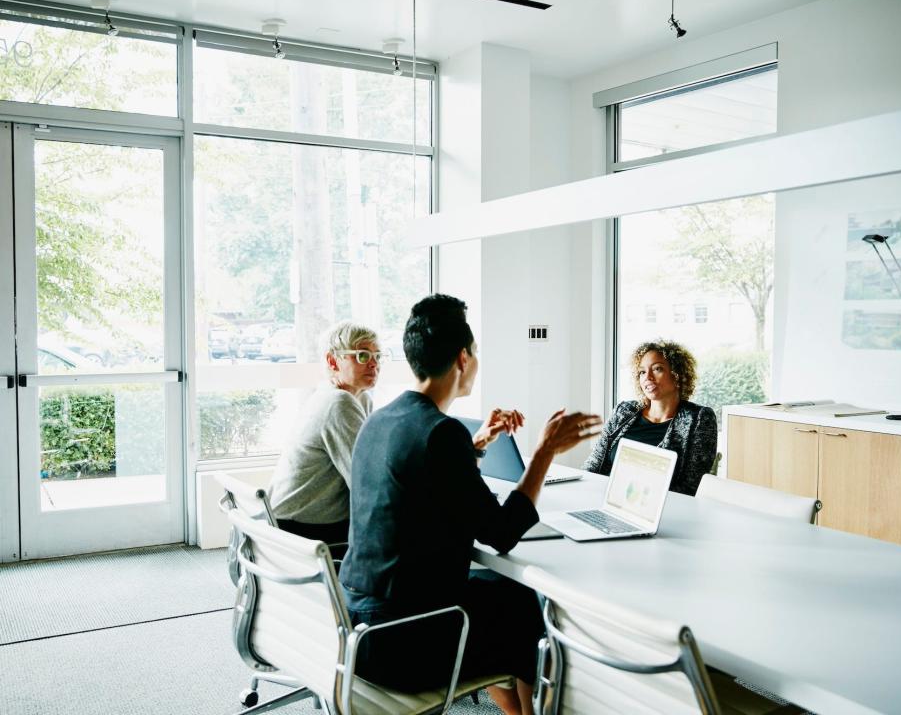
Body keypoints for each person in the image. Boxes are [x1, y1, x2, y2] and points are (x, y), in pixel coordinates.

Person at [339, 294, 600, 715]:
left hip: (358, 626)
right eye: (475, 353)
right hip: (402, 640)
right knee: (523, 604)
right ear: (463, 359)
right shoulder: (440, 432)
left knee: (503, 595)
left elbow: (427, 481)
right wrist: (543, 453)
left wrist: (476, 446)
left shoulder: (383, 418)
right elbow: (501, 532)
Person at [268, 321, 383, 544]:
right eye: (362, 356)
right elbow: (366, 480)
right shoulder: (338, 402)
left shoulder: (356, 398)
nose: (374, 364)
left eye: (378, 356)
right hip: (301, 531)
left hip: (291, 521)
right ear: (333, 361)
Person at [584, 339, 717, 496]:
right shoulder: (624, 411)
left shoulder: (699, 418)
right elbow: (593, 465)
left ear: (678, 376)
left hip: (662, 512)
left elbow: (692, 486)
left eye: (657, 369)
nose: (648, 377)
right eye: (642, 372)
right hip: (606, 499)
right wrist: (584, 492)